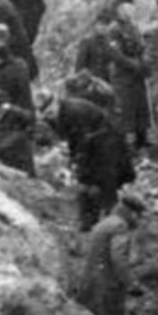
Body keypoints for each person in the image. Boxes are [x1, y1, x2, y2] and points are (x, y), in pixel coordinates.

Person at [47, 89, 134, 230]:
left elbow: (83, 140)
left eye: (50, 112)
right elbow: (73, 140)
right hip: (92, 143)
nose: (50, 117)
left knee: (105, 182)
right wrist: (74, 159)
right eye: (46, 114)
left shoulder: (74, 111)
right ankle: (88, 223)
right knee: (85, 183)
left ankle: (115, 221)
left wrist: (78, 162)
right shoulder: (60, 114)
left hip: (106, 142)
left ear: (56, 103)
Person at [75, 187, 147, 315]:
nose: (138, 220)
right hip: (107, 287)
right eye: (138, 216)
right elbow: (118, 258)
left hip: (90, 284)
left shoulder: (105, 223)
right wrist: (132, 283)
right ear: (132, 213)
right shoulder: (120, 227)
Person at [107, 0, 153, 149]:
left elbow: (141, 46)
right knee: (125, 107)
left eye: (131, 9)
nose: (130, 12)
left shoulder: (133, 27)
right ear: (120, 11)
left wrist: (145, 60)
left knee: (141, 105)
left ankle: (142, 138)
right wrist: (134, 64)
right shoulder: (113, 29)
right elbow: (116, 55)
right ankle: (126, 143)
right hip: (123, 75)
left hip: (137, 74)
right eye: (127, 9)